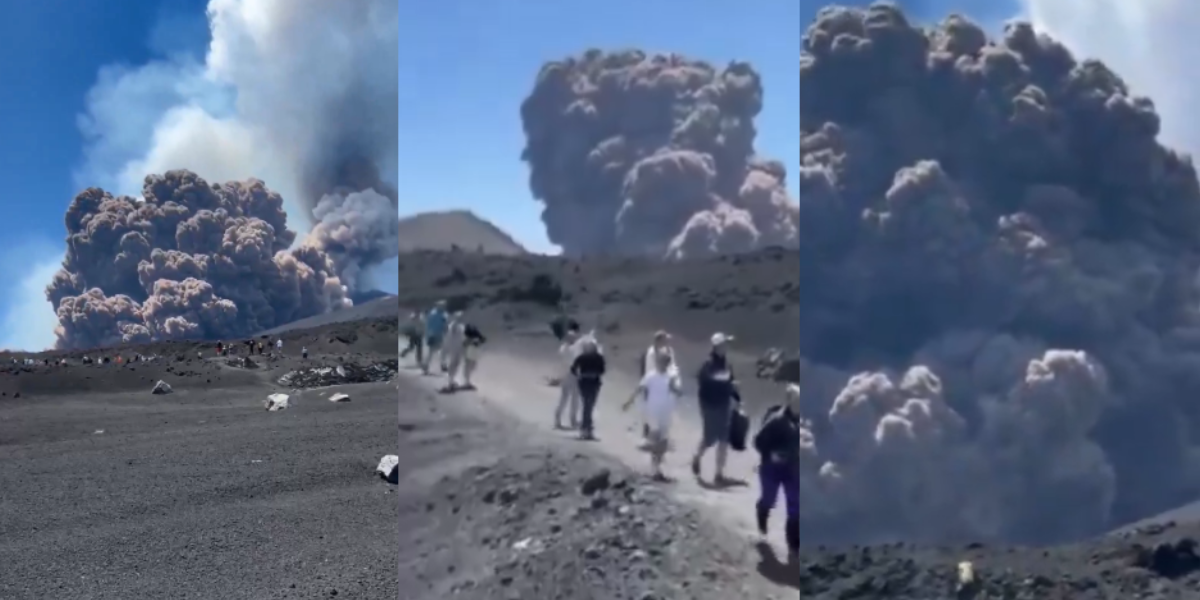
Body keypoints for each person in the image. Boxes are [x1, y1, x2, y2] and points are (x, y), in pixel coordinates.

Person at [753, 383, 801, 557]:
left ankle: (793, 544)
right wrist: (771, 454)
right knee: (769, 499)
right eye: (796, 400)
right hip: (771, 469)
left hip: (792, 469)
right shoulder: (776, 420)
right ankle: (762, 515)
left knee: (795, 505)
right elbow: (757, 441)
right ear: (789, 401)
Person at [623, 351, 682, 481]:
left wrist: (674, 388)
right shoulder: (651, 376)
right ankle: (654, 467)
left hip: (666, 412)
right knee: (655, 437)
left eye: (666, 361)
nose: (663, 364)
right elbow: (640, 388)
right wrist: (629, 401)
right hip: (653, 411)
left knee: (662, 441)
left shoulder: (672, 376)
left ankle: (657, 467)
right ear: (657, 362)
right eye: (661, 361)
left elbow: (679, 392)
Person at [692, 332, 741, 483]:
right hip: (709, 404)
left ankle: (718, 473)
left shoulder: (727, 363)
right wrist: (720, 382)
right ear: (717, 346)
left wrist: (737, 398)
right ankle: (697, 457)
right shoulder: (708, 364)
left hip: (724, 404)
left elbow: (731, 383)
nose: (726, 346)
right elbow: (702, 381)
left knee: (724, 439)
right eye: (724, 344)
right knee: (709, 438)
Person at [640, 330, 679, 439]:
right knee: (650, 409)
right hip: (654, 383)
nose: (667, 341)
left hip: (666, 382)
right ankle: (648, 433)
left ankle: (661, 435)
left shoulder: (669, 351)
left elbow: (673, 365)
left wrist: (673, 377)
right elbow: (649, 368)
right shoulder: (652, 353)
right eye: (664, 339)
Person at [570, 337, 606, 440]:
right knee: (589, 406)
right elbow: (602, 370)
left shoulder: (582, 357)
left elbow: (573, 369)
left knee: (587, 406)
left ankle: (585, 429)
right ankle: (587, 429)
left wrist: (579, 375)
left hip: (585, 382)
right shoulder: (599, 357)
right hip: (593, 383)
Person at [554, 323, 583, 429]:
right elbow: (571, 361)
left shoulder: (568, 348)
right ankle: (561, 419)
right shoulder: (567, 349)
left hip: (572, 375)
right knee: (566, 398)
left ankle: (571, 419)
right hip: (569, 375)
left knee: (574, 398)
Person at [422, 300, 449, 375]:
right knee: (433, 351)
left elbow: (445, 325)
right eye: (442, 305)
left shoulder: (442, 314)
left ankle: (441, 365)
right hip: (434, 335)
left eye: (443, 306)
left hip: (439, 334)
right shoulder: (435, 314)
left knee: (439, 351)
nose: (443, 307)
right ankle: (427, 365)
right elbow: (429, 325)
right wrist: (429, 334)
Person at [460, 320, 486, 389]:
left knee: (473, 366)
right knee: (468, 366)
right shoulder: (465, 332)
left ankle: (467, 381)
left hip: (474, 350)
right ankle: (466, 382)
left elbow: (482, 339)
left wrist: (480, 340)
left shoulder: (475, 331)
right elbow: (464, 343)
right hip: (468, 350)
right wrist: (472, 341)